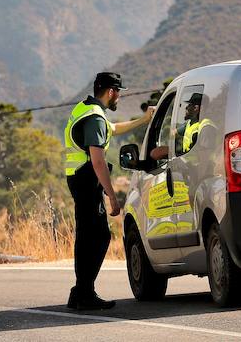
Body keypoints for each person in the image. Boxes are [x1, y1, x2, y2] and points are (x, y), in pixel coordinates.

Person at [64, 72, 154, 310]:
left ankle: (81, 291)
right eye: (119, 94)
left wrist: (143, 120)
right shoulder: (95, 118)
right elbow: (98, 162)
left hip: (78, 179)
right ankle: (83, 291)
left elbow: (112, 128)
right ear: (112, 91)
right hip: (86, 180)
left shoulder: (87, 110)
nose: (119, 99)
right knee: (96, 236)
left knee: (88, 235)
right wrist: (112, 195)